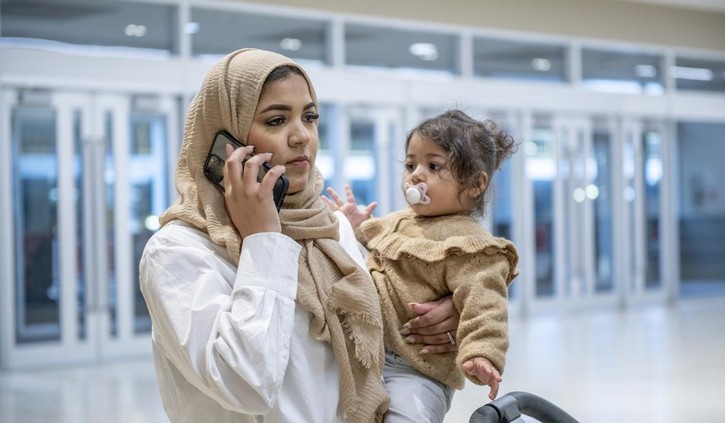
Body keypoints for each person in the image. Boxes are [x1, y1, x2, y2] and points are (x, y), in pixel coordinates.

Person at [138, 48, 460, 423]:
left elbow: (382, 356)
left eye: (310, 117)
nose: (302, 136)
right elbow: (246, 384)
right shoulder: (177, 251)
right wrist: (262, 239)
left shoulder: (331, 229)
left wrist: (435, 317)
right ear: (227, 141)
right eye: (276, 120)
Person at [323, 109, 520, 422]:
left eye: (433, 165)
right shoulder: (397, 222)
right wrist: (353, 225)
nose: (415, 175)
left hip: (416, 370)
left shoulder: (471, 246)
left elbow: (486, 307)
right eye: (411, 164)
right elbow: (368, 241)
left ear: (474, 184)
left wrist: (482, 353)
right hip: (365, 356)